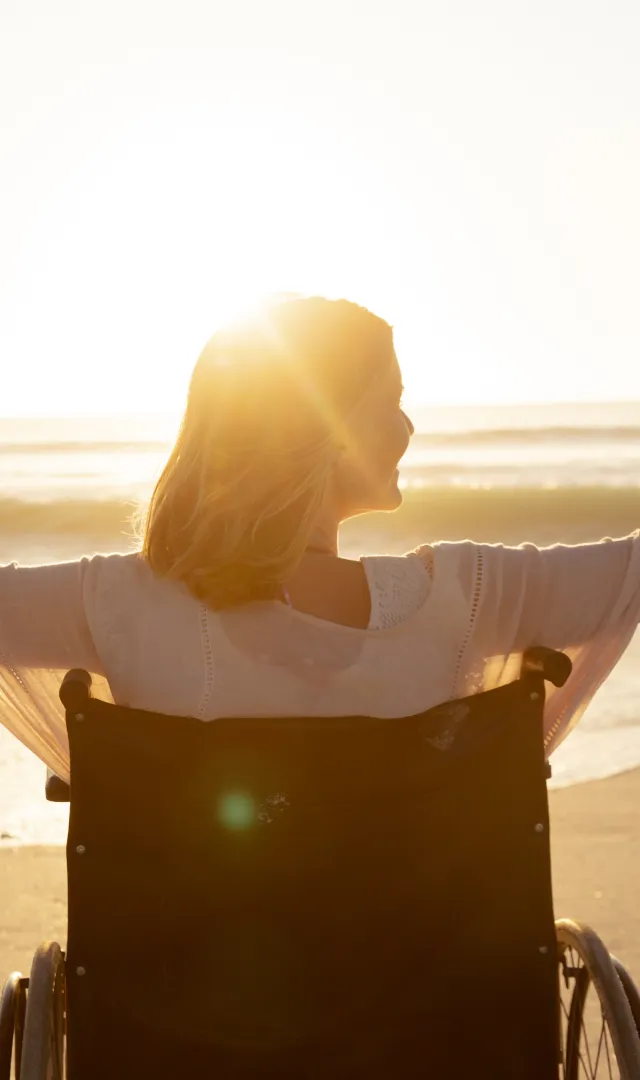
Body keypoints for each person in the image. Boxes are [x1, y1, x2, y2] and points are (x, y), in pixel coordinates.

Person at [1, 295, 640, 784]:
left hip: (185, 956)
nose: (408, 425)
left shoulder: (119, 605)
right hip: (424, 955)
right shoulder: (470, 600)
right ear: (330, 430)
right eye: (390, 401)